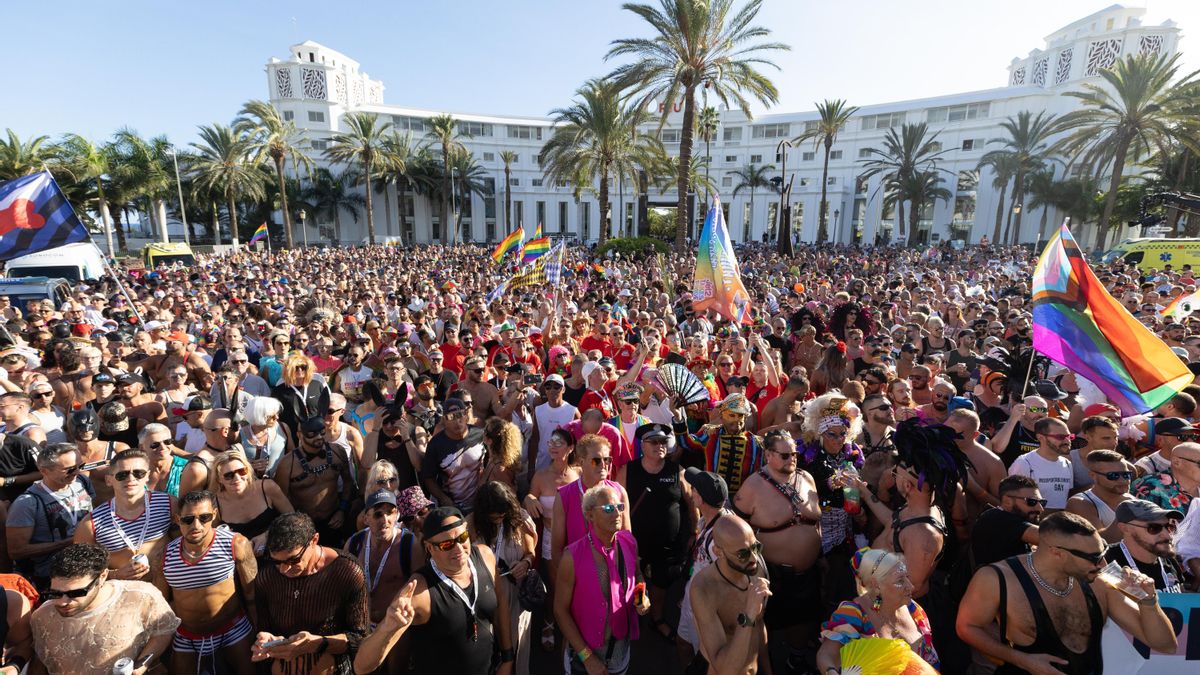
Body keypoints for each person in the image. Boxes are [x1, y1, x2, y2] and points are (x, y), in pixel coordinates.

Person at [957, 511, 1177, 675]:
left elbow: (1165, 644)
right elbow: (967, 627)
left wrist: (1149, 601)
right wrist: (1021, 660)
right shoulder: (997, 578)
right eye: (1092, 557)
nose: (1102, 564)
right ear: (1056, 553)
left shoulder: (1100, 583)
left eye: (1103, 553)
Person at [353, 506, 515, 675]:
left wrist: (508, 657)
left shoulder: (485, 556)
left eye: (462, 537)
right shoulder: (419, 592)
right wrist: (387, 627)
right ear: (430, 548)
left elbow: (500, 605)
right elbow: (361, 666)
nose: (458, 549)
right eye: (446, 545)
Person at [731, 429, 821, 654]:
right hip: (772, 576)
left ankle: (796, 658)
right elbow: (736, 530)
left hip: (809, 573)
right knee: (765, 628)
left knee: (804, 623)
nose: (791, 459)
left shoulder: (806, 478)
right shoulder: (752, 486)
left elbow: (816, 522)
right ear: (769, 455)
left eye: (794, 454)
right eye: (785, 455)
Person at [30, 543, 178, 675]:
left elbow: (163, 631)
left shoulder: (141, 596)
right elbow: (40, 661)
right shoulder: (42, 616)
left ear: (102, 577)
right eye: (55, 593)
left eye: (76, 593)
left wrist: (141, 664)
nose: (62, 602)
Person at [154, 490, 259, 675]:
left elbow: (252, 593)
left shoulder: (235, 544)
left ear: (215, 515)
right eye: (188, 519)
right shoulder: (164, 557)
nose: (196, 525)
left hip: (233, 629)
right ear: (178, 519)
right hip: (187, 637)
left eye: (204, 517)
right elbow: (159, 604)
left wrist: (257, 628)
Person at [251, 512, 370, 675]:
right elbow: (264, 628)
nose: (284, 569)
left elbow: (360, 639)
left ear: (314, 540)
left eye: (293, 560)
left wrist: (317, 643)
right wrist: (265, 640)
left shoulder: (347, 572)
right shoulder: (267, 578)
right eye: (277, 562)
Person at [554, 484, 650, 674]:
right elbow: (560, 611)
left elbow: (637, 574)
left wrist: (640, 597)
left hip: (621, 654)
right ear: (590, 515)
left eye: (619, 507)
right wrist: (588, 658)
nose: (617, 513)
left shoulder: (629, 542)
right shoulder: (572, 557)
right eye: (608, 509)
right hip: (584, 661)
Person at [617, 422, 696, 641]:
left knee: (662, 583)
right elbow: (617, 505)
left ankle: (657, 618)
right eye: (653, 442)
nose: (659, 446)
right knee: (636, 582)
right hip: (636, 542)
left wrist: (693, 533)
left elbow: (690, 504)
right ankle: (636, 613)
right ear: (642, 445)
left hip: (668, 544)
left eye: (663, 442)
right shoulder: (627, 470)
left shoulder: (677, 471)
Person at [817, 548, 941, 673]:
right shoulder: (854, 614)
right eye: (900, 581)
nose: (911, 586)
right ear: (876, 585)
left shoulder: (913, 609)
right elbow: (826, 655)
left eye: (907, 577)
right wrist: (831, 672)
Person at [343, 489, 421, 674]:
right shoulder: (354, 544)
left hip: (394, 626)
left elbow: (419, 587)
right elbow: (342, 585)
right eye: (378, 514)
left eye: (390, 512)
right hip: (362, 626)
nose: (385, 519)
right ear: (366, 518)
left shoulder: (409, 544)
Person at [686, 514, 770, 675]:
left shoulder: (755, 567)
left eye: (756, 547)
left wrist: (768, 670)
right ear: (719, 552)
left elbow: (759, 625)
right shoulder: (704, 589)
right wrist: (749, 614)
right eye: (742, 554)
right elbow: (724, 669)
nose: (754, 557)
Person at [73, 449, 172, 582]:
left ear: (147, 475)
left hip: (165, 589)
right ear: (109, 480)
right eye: (122, 475)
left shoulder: (169, 504)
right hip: (123, 593)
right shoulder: (90, 524)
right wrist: (115, 575)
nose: (131, 479)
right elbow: (81, 571)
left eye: (139, 473)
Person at [470, 481, 537, 675]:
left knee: (517, 645)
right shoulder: (471, 525)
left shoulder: (519, 520)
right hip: (484, 595)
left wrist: (525, 564)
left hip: (514, 594)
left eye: (502, 513)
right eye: (494, 516)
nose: (500, 518)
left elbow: (531, 552)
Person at [6, 443, 93, 590]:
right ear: (44, 471)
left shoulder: (81, 482)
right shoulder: (27, 503)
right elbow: (16, 551)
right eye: (69, 469)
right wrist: (70, 542)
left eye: (80, 466)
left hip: (86, 567)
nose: (77, 472)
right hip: (52, 579)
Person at [523, 426, 579, 650]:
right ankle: (549, 622)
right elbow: (530, 494)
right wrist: (528, 498)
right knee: (556, 586)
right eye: (551, 442)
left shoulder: (579, 474)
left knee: (576, 586)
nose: (554, 446)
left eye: (559, 442)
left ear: (571, 447)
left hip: (575, 540)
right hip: (550, 539)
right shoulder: (541, 475)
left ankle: (573, 625)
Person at [550, 434, 631, 585]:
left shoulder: (619, 492)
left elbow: (627, 541)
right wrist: (572, 582)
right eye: (596, 460)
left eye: (607, 459)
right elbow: (557, 551)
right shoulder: (565, 495)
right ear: (581, 462)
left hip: (613, 576)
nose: (603, 465)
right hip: (578, 578)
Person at [275, 415, 358, 548]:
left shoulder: (338, 452)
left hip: (334, 520)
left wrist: (342, 510)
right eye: (312, 434)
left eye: (322, 432)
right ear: (299, 435)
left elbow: (348, 482)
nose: (319, 437)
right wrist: (297, 524)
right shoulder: (287, 464)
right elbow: (280, 500)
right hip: (303, 526)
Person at [675, 469, 731, 666]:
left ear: (700, 497)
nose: (690, 492)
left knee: (706, 659)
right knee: (682, 642)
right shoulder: (706, 519)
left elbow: (727, 582)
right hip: (692, 599)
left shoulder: (721, 537)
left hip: (706, 610)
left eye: (693, 489)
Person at [674, 393, 765, 495]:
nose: (737, 420)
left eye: (741, 415)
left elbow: (759, 476)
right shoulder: (710, 433)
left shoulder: (756, 444)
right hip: (711, 496)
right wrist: (678, 417)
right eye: (731, 415)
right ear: (722, 416)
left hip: (741, 500)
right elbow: (685, 442)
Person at [210, 448, 294, 553]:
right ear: (219, 479)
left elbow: (293, 518)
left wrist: (267, 535)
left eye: (241, 471)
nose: (237, 478)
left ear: (248, 470)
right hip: (243, 561)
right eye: (229, 475)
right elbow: (213, 540)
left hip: (280, 552)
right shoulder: (215, 503)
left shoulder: (267, 487)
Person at [1106, 499, 1186, 593]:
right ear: (1125, 528)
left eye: (1169, 527)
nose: (1167, 535)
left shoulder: (1168, 558)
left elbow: (1183, 602)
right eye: (1154, 528)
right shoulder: (1107, 562)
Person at [420, 398, 487, 512]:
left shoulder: (480, 434)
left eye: (460, 415)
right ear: (444, 420)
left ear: (466, 415)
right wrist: (443, 498)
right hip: (452, 507)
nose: (457, 421)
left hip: (480, 502)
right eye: (451, 417)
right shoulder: (436, 445)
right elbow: (428, 478)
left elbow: (492, 462)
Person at [971, 475, 1044, 568]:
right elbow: (1051, 538)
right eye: (1032, 502)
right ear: (1007, 501)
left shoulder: (998, 516)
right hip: (994, 580)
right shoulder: (999, 519)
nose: (1040, 508)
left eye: (1042, 502)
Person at [1007, 417, 1074, 511]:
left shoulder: (1067, 464)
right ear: (1040, 437)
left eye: (1069, 436)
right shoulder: (1024, 463)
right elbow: (1011, 499)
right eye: (1060, 437)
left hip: (1058, 522)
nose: (1067, 441)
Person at [1064, 449, 1132, 535]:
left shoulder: (1131, 499)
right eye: (1113, 475)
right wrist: (1130, 514)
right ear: (1093, 476)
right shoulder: (1080, 502)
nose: (1123, 480)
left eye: (1126, 475)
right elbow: (1100, 540)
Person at [528, 373, 579, 484]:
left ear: (564, 389)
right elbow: (535, 439)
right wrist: (531, 468)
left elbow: (578, 441)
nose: (552, 390)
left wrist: (575, 465)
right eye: (548, 387)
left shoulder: (572, 411)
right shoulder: (538, 410)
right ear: (545, 390)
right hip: (543, 462)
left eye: (557, 387)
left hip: (565, 464)